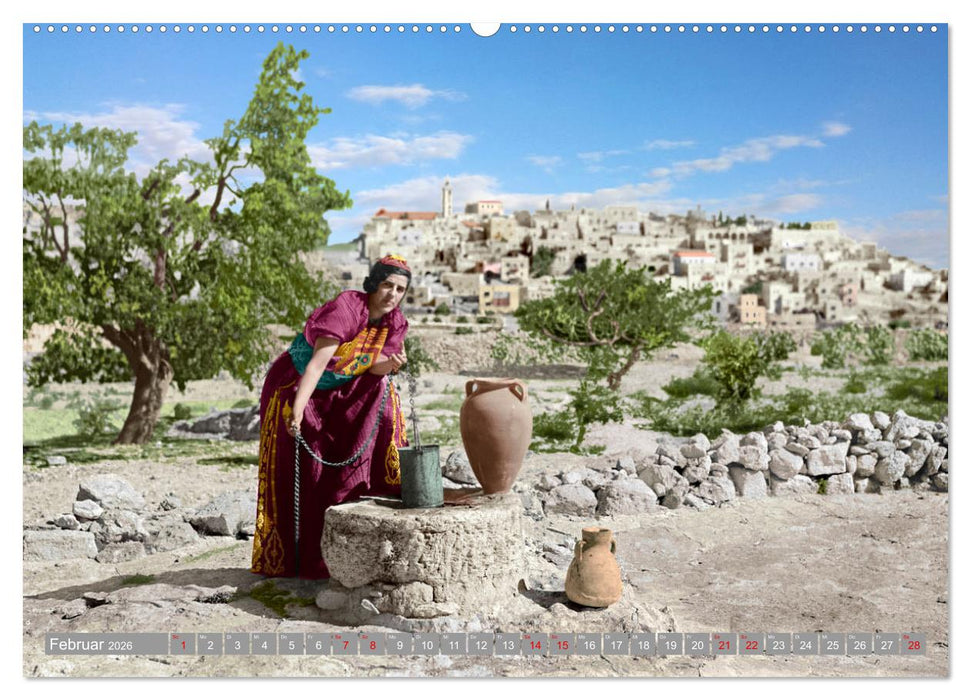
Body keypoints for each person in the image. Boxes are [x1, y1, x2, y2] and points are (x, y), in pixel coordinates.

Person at [251, 254, 411, 579]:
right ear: (374, 283)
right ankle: (295, 560)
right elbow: (316, 365)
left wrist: (391, 365)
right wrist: (296, 411)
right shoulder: (347, 308)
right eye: (387, 285)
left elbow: (372, 367)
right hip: (298, 385)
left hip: (341, 388)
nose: (392, 294)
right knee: (302, 468)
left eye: (400, 289)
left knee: (382, 394)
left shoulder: (395, 324)